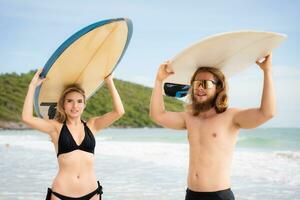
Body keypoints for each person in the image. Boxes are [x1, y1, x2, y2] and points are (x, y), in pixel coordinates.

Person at [149, 54, 275, 200]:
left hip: (219, 196)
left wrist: (267, 71)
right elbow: (157, 115)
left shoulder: (231, 117)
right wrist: (159, 81)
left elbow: (267, 113)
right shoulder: (189, 118)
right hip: (191, 195)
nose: (200, 88)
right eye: (196, 84)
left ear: (218, 87)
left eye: (206, 84)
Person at [22, 69, 125, 200]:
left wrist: (109, 82)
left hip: (91, 193)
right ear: (63, 105)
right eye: (69, 101)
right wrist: (32, 86)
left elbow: (119, 112)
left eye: (79, 101)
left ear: (84, 105)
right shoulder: (56, 128)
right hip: (61, 194)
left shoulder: (92, 125)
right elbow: (26, 118)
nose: (75, 105)